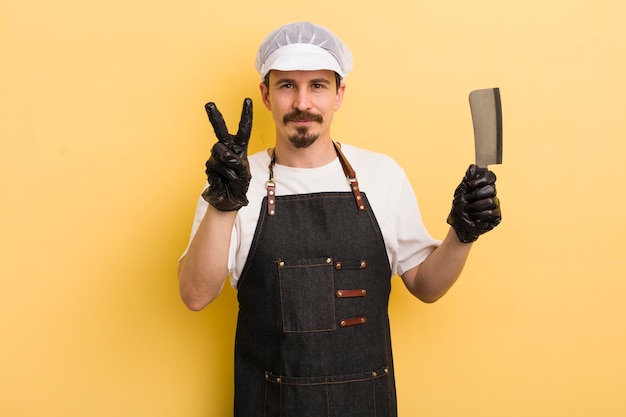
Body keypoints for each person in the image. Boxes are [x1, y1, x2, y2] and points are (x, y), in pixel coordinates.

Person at [178, 21, 501, 417]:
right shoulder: (233, 181)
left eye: (317, 85)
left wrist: (463, 234)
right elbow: (195, 295)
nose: (302, 103)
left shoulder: (382, 175)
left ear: (338, 93)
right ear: (265, 94)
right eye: (286, 86)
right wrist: (223, 203)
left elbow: (426, 286)